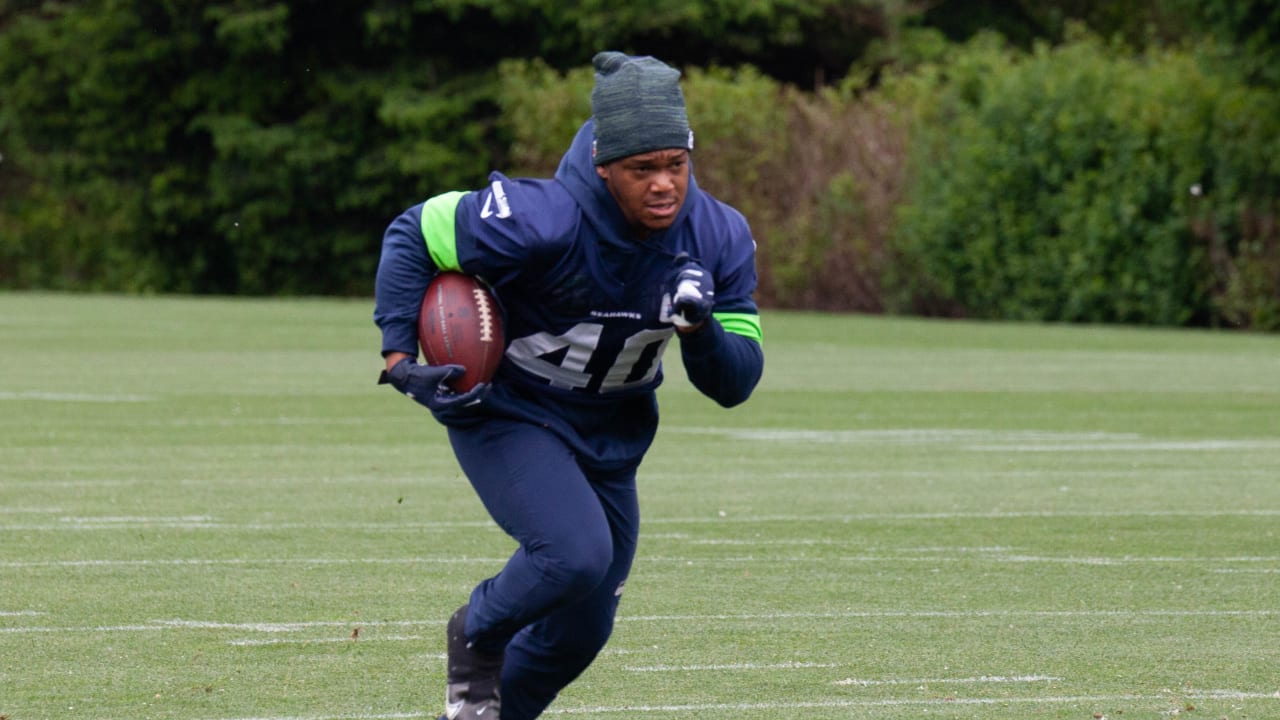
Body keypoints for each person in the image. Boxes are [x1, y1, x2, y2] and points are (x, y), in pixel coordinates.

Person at [373, 51, 765, 720]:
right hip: (511, 410)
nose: (665, 184)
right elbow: (416, 231)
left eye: (676, 164)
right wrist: (397, 355)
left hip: (611, 433)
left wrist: (699, 331)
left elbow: (736, 385)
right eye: (643, 169)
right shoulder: (540, 217)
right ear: (604, 166)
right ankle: (477, 630)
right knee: (575, 555)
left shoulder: (717, 235)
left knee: (581, 631)